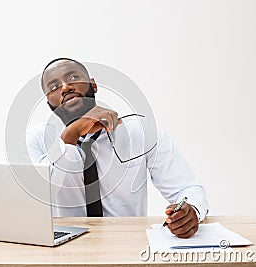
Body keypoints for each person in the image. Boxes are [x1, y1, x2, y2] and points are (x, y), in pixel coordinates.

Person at [26, 58, 209, 238]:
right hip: (64, 250)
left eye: (73, 78)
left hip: (126, 245)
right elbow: (36, 199)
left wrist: (191, 209)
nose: (65, 88)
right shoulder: (37, 139)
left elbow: (187, 188)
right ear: (50, 103)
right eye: (53, 87)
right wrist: (70, 137)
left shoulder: (140, 131)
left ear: (93, 85)